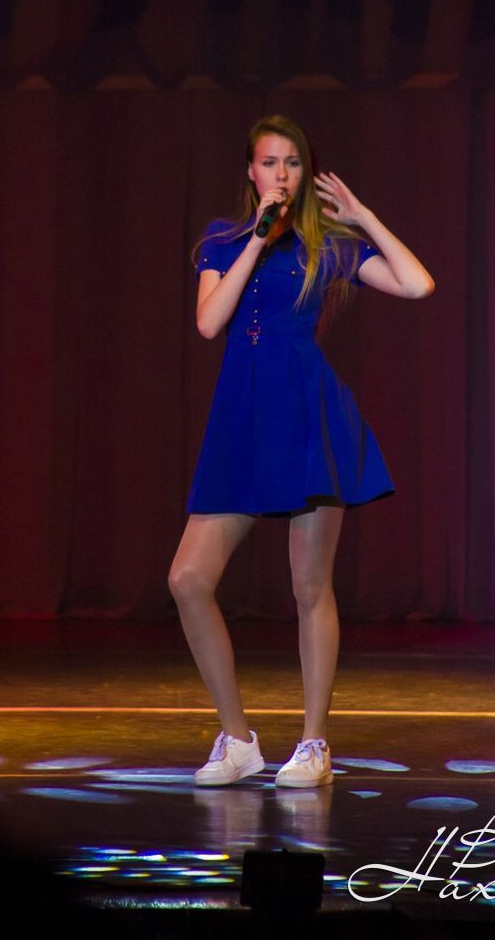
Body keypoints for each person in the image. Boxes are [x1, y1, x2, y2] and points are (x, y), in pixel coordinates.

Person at [168, 115, 433, 787]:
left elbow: (417, 284)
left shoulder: (329, 247)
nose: (281, 173)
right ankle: (237, 740)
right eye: (269, 162)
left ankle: (314, 745)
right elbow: (209, 323)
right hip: (242, 420)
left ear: (305, 174)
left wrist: (364, 217)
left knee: (309, 585)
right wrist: (257, 237)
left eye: (292, 162)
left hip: (309, 416)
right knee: (188, 579)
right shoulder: (223, 239)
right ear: (250, 172)